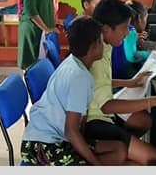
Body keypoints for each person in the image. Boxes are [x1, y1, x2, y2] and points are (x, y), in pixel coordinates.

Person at [85, 0, 156, 165]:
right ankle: (122, 152)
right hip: (94, 119)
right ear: (106, 29)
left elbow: (101, 82)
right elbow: (106, 106)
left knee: (144, 121)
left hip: (99, 112)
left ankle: (124, 148)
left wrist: (130, 83)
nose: (128, 32)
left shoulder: (105, 45)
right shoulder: (96, 55)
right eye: (125, 28)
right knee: (152, 157)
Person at [21, 15, 127, 165]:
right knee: (98, 161)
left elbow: (79, 122)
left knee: (119, 149)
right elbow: (71, 131)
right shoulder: (80, 77)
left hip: (62, 136)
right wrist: (95, 163)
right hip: (43, 144)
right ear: (94, 47)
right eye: (102, 41)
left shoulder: (75, 62)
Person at [112, 0, 150, 79]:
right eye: (146, 18)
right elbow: (132, 57)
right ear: (139, 18)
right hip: (124, 77)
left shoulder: (122, 28)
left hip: (114, 73)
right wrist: (149, 54)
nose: (146, 22)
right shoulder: (131, 31)